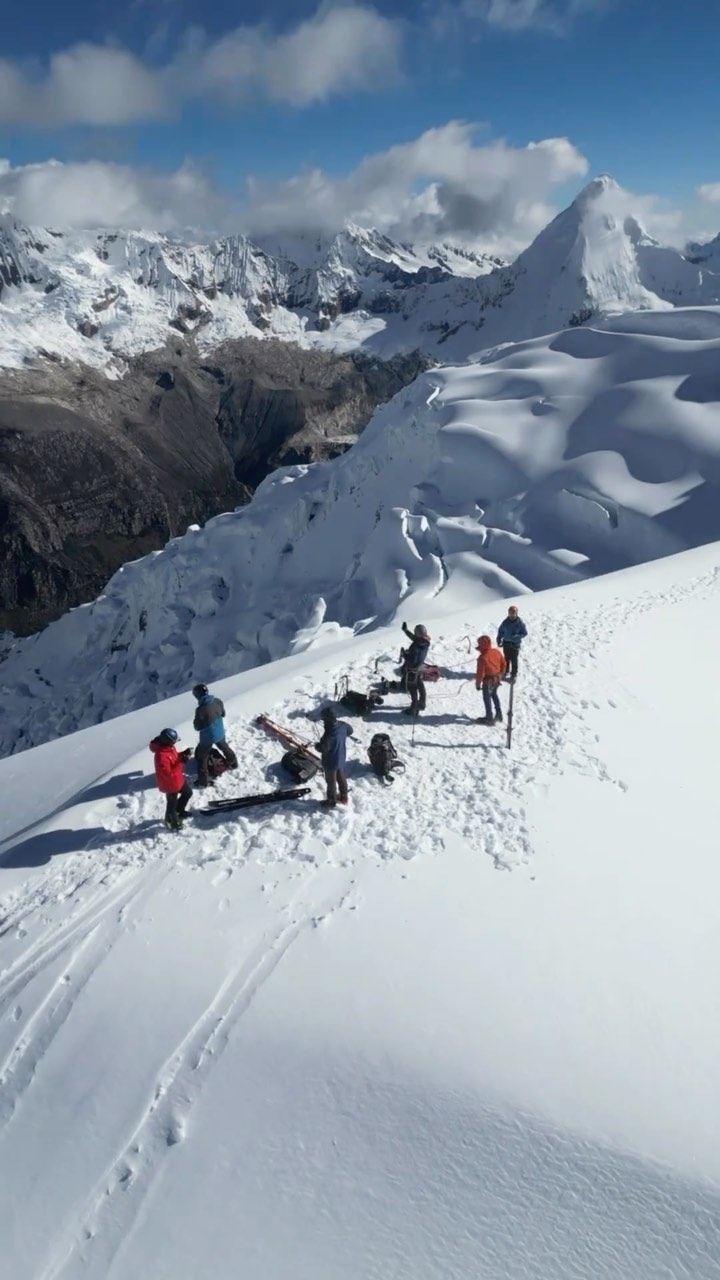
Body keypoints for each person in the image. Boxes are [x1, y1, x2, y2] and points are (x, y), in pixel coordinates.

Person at [192, 683, 238, 787]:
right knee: (224, 746)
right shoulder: (217, 701)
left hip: (207, 737)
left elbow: (197, 727)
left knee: (202, 756)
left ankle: (203, 781)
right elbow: (223, 714)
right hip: (220, 732)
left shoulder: (200, 710)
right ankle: (233, 763)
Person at [149, 728, 193, 831]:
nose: (175, 743)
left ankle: (179, 811)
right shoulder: (161, 756)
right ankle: (171, 822)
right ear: (168, 741)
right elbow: (168, 774)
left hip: (178, 779)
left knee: (188, 793)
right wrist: (182, 762)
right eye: (174, 741)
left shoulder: (169, 747)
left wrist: (182, 754)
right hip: (169, 783)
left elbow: (174, 758)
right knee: (171, 806)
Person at [316, 707, 353, 809]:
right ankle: (344, 797)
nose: (323, 722)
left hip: (330, 762)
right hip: (341, 758)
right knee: (341, 778)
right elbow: (350, 731)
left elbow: (323, 748)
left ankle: (331, 801)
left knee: (331, 782)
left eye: (324, 719)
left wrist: (317, 746)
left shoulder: (329, 734)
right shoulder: (343, 725)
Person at [475, 635, 506, 726]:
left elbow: (480, 673)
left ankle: (489, 718)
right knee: (494, 694)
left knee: (487, 698)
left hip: (488, 681)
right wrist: (501, 674)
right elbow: (504, 663)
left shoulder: (482, 658)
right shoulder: (496, 652)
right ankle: (499, 714)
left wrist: (478, 684)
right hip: (497, 679)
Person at [401, 622, 430, 716]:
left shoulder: (415, 646)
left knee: (413, 688)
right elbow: (415, 638)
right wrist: (406, 631)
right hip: (419, 667)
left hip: (412, 669)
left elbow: (411, 659)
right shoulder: (425, 642)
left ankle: (413, 709)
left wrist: (404, 654)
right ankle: (422, 703)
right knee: (420, 685)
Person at [496, 605, 528, 682]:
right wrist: (499, 639)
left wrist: (518, 636)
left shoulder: (519, 623)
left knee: (514, 660)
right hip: (506, 643)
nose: (512, 615)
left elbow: (525, 633)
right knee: (506, 659)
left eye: (513, 614)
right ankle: (505, 671)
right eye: (510, 613)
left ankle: (513, 674)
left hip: (515, 644)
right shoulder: (505, 622)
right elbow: (501, 631)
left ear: (516, 614)